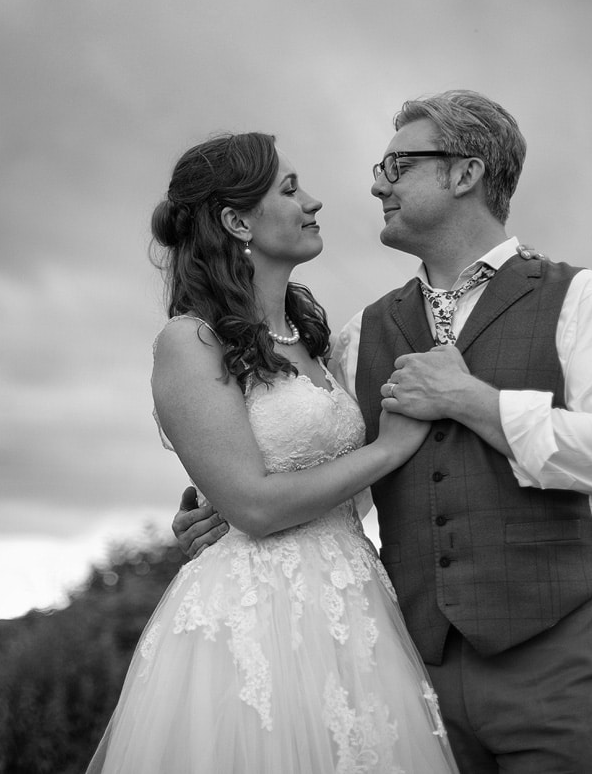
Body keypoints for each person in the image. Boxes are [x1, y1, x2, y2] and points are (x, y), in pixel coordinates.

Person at [174, 91, 592, 774]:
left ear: (466, 173)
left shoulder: (583, 299)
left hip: (558, 664)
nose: (376, 183)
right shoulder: (358, 333)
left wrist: (476, 401)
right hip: (403, 670)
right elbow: (335, 474)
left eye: (398, 165)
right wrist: (226, 515)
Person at [87, 133, 458, 773]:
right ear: (236, 221)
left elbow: (330, 490)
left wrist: (218, 503)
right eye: (289, 190)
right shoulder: (188, 341)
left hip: (352, 604)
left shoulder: (315, 344)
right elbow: (256, 506)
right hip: (255, 617)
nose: (313, 202)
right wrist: (390, 448)